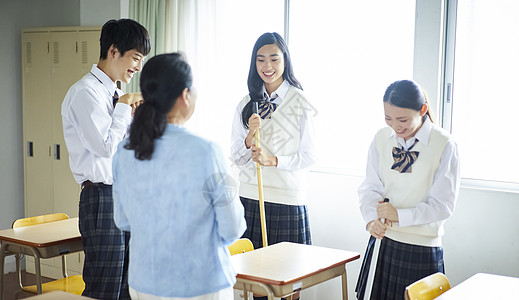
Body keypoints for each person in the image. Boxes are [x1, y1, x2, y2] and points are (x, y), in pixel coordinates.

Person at [112, 52, 246, 300]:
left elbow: (123, 220)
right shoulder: (206, 151)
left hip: (144, 282)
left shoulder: (125, 151)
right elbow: (232, 227)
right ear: (185, 95)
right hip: (200, 283)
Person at [61, 19, 151, 299]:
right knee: (105, 285)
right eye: (136, 58)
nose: (137, 67)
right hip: (101, 197)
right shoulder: (84, 93)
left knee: (128, 284)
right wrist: (123, 109)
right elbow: (103, 146)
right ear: (113, 51)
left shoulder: (117, 94)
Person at [231, 32, 317, 300]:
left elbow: (309, 155)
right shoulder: (246, 103)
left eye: (274, 59)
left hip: (287, 199)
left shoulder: (299, 101)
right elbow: (236, 156)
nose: (267, 66)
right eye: (260, 60)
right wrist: (248, 137)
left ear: (285, 61)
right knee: (256, 284)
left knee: (289, 283)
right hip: (252, 197)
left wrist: (274, 161)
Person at [356, 79, 460, 300]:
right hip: (383, 243)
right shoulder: (381, 138)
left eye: (403, 119)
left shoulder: (444, 144)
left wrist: (399, 216)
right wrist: (371, 220)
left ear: (422, 110)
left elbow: (443, 206)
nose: (396, 126)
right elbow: (370, 187)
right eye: (388, 119)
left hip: (421, 248)